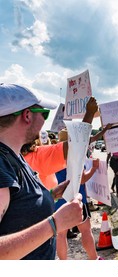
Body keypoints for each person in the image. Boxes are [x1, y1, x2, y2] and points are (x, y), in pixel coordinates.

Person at [0, 83, 83, 260]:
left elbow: (17, 207)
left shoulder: (13, 155)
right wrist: (55, 224)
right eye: (44, 113)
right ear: (27, 115)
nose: (45, 120)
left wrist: (51, 195)